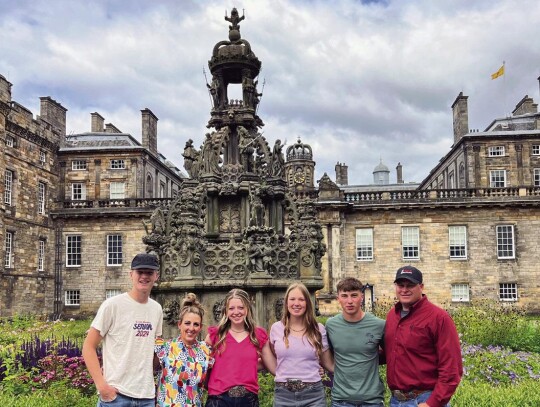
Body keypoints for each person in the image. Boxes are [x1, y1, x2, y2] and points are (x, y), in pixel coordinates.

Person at [82, 253, 163, 407]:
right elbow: (88, 347)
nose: (144, 277)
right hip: (117, 397)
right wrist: (102, 386)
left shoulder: (156, 309)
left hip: (146, 397)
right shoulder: (112, 305)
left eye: (149, 273)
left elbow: (155, 349)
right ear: (131, 274)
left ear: (156, 276)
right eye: (140, 272)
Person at [385, 266, 463, 407]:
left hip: (424, 400)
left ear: (421, 287)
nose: (404, 290)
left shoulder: (438, 318)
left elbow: (452, 368)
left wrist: (432, 403)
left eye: (410, 285)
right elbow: (389, 352)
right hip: (396, 401)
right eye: (400, 285)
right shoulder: (392, 316)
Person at [205, 288, 275, 407]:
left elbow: (273, 367)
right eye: (231, 308)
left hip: (248, 400)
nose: (236, 312)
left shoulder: (257, 335)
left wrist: (309, 369)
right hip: (219, 399)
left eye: (241, 308)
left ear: (247, 309)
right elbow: (200, 363)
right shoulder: (216, 335)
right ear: (226, 311)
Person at [269, 282, 334, 407]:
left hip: (313, 395)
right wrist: (281, 373)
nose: (296, 303)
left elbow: (328, 362)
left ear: (307, 303)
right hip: (284, 395)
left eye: (301, 299)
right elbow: (274, 355)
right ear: (286, 302)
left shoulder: (318, 329)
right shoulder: (276, 329)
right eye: (292, 299)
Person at [326, 277, 385, 407]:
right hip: (341, 399)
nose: (350, 301)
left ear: (362, 297)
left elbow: (390, 354)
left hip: (372, 399)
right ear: (338, 299)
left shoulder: (378, 325)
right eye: (344, 296)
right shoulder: (331, 325)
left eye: (354, 295)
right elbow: (326, 354)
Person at [155, 293, 212, 407]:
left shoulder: (206, 352)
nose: (191, 328)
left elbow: (210, 385)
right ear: (179, 324)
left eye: (196, 324)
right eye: (187, 323)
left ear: (200, 327)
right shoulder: (165, 348)